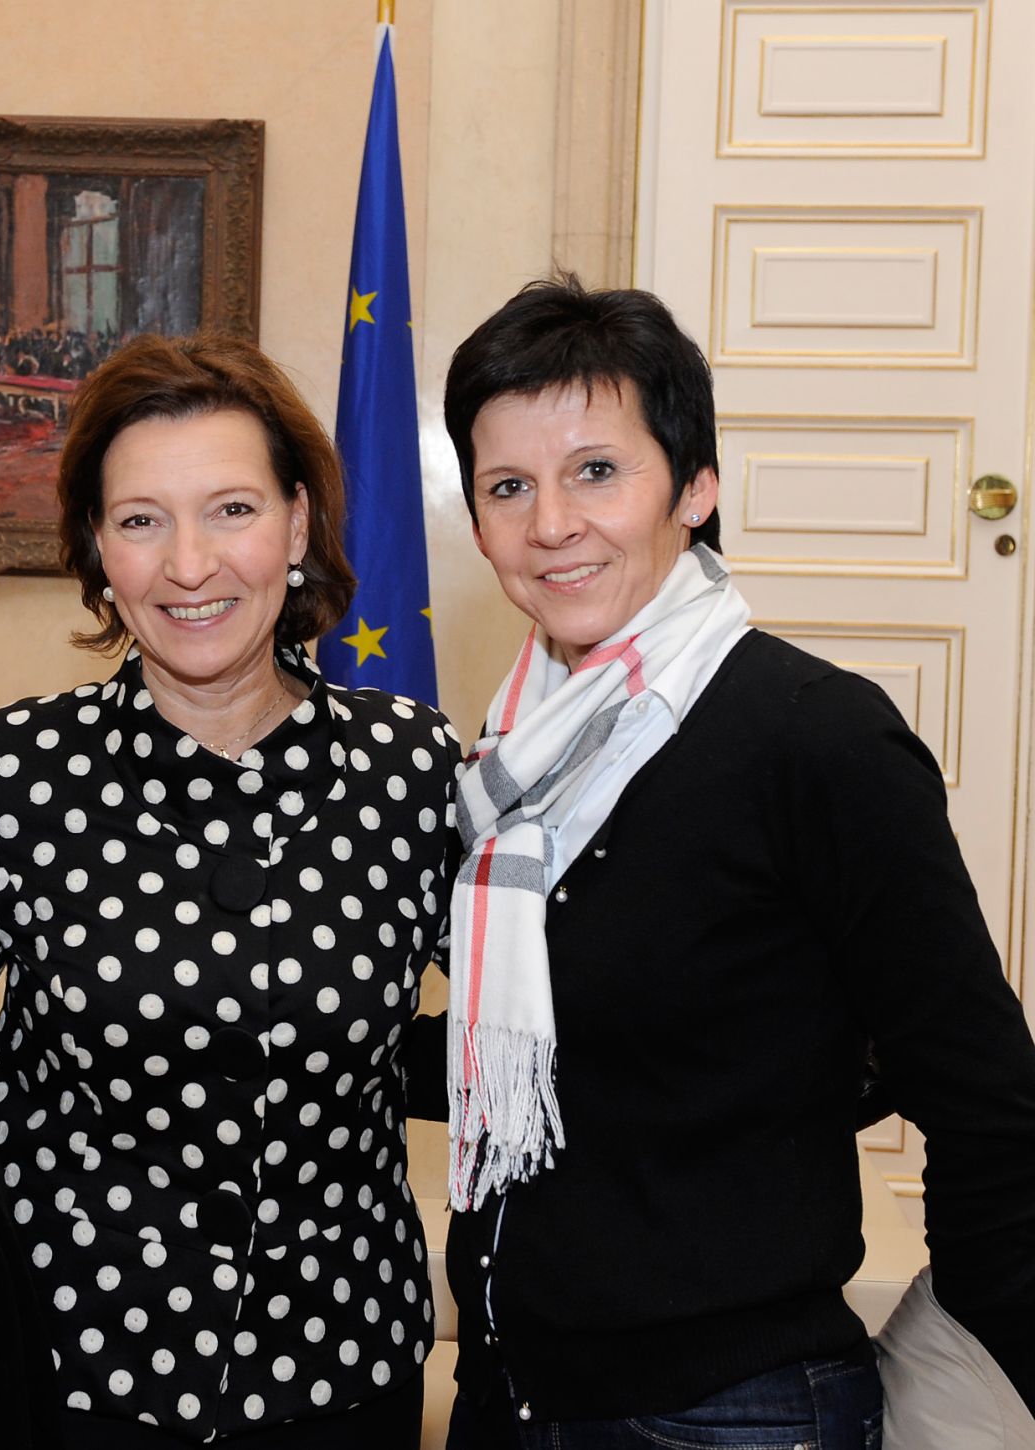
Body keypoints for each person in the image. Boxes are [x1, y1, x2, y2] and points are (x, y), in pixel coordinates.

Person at [427, 275, 1035, 1447]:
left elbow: (985, 1099)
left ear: (694, 487)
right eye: (509, 486)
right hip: (512, 1394)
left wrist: (983, 1347)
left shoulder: (812, 735)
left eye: (596, 470)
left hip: (730, 1413)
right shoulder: (512, 757)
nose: (550, 522)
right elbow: (573, 1055)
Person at [0, 333, 460, 1448]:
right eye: (141, 519)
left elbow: (522, 1029)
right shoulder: (17, 776)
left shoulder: (412, 770)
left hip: (339, 1371)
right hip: (70, 1376)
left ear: (298, 526)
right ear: (98, 546)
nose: (188, 564)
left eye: (232, 510)